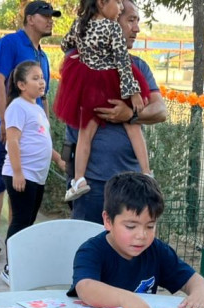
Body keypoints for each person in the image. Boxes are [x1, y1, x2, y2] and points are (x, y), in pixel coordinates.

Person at [66, 0, 168, 224]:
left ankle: (146, 173)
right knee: (86, 241)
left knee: (127, 247)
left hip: (128, 184)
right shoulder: (80, 58)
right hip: (93, 185)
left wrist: (129, 114)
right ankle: (78, 180)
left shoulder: (139, 66)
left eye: (138, 21)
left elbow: (160, 111)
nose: (137, 28)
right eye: (130, 20)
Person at [69, 172, 204, 308]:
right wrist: (125, 298)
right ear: (108, 221)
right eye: (131, 226)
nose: (142, 235)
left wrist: (199, 293)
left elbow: (194, 279)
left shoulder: (157, 251)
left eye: (150, 226)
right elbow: (85, 287)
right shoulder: (91, 251)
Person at [54, 0, 150, 203]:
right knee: (133, 127)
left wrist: (81, 56)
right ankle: (146, 172)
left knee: (85, 132)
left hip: (87, 83)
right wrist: (133, 92)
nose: (121, 8)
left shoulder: (80, 23)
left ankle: (79, 180)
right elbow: (123, 61)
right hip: (110, 78)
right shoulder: (113, 27)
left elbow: (65, 45)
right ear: (101, 3)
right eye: (117, 3)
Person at [0, 1, 58, 266]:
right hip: (5, 128)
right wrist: (4, 120)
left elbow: (44, 95)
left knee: (22, 196)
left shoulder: (43, 56)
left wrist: (45, 127)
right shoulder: (10, 43)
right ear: (29, 19)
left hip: (32, 129)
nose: (51, 20)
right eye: (45, 16)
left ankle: (18, 251)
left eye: (52, 16)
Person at [2, 61, 66, 275]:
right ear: (21, 85)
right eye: (35, 78)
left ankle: (22, 263)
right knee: (20, 220)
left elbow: (42, 139)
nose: (41, 82)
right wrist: (18, 173)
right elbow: (12, 141)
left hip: (37, 176)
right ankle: (11, 266)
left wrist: (57, 159)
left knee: (28, 220)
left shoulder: (36, 107)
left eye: (42, 77)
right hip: (22, 174)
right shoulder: (17, 107)